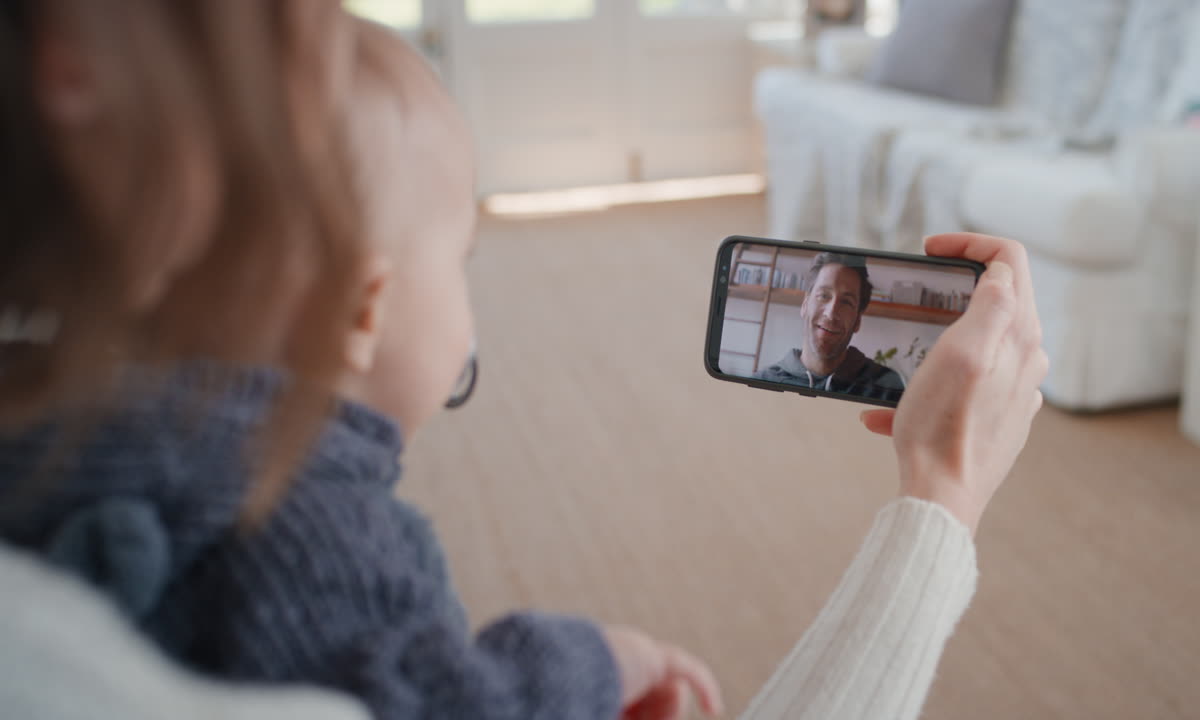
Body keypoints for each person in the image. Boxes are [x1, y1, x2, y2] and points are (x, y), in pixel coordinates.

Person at [0, 3, 1048, 720]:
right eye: (457, 259)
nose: (822, 308)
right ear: (367, 307)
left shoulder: (52, 439)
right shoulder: (314, 530)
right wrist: (584, 662)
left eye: (836, 298)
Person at [755, 252, 905, 397]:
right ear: (805, 305)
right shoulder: (762, 383)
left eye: (846, 302)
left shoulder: (888, 389)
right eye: (824, 296)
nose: (831, 313)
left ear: (857, 320)